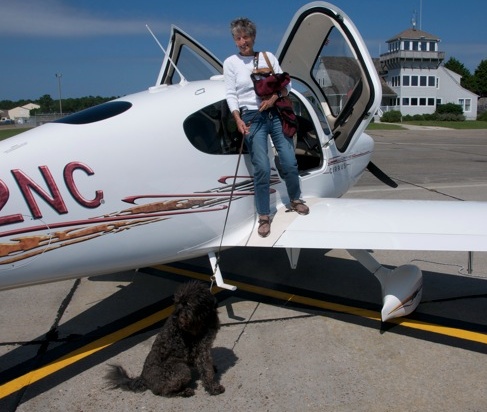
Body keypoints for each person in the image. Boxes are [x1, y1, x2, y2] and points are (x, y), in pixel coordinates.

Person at [223, 17, 309, 238]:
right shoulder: (230, 63)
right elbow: (231, 94)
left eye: (246, 36)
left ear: (253, 37)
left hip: (275, 112)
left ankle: (295, 198)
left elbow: (287, 85)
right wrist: (238, 118)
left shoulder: (268, 57)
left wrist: (273, 99)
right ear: (234, 40)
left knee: (289, 161)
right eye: (238, 38)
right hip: (251, 116)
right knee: (261, 167)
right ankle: (264, 215)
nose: (243, 41)